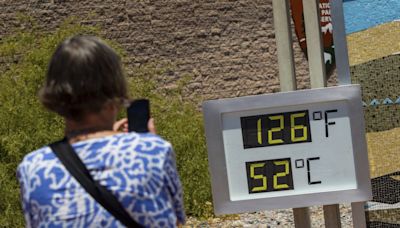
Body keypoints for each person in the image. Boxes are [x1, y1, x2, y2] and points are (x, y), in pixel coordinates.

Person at [16, 35, 185, 227]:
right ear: (115, 87)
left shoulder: (33, 168)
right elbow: (175, 221)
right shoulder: (153, 151)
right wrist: (148, 145)